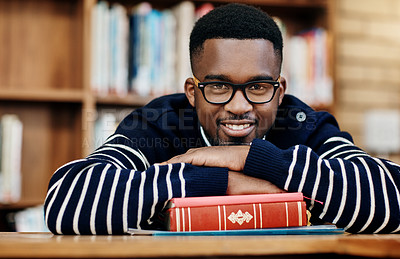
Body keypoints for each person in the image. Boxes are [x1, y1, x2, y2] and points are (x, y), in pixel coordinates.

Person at [44, 3, 400, 235]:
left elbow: (394, 197)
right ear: (192, 91)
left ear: (280, 90)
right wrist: (218, 181)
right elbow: (67, 199)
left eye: (258, 86)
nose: (240, 106)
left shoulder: (305, 122)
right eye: (218, 86)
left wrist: (249, 157)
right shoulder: (157, 121)